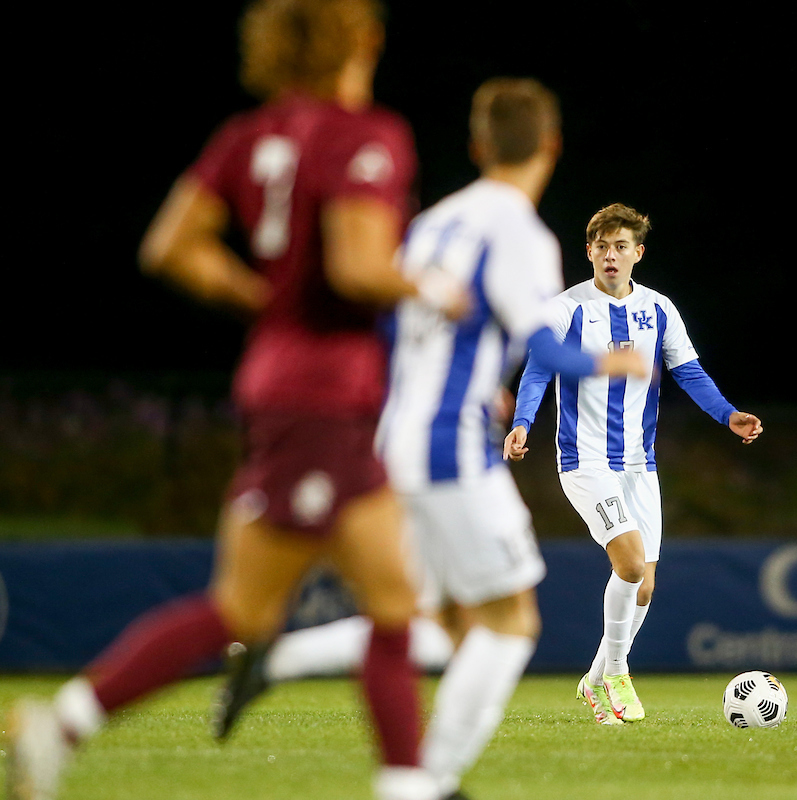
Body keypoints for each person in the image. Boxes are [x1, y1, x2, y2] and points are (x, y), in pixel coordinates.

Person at [5, 2, 464, 799]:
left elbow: (169, 245)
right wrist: (435, 287)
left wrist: (265, 300)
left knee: (395, 601)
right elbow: (357, 268)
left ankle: (409, 784)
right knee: (244, 612)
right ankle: (67, 722)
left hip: (296, 387)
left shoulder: (250, 137)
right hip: (322, 398)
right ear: (361, 38)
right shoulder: (366, 134)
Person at [214, 78, 647, 798]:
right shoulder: (520, 231)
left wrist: (478, 378)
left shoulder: (435, 221)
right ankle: (427, 780)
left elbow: (392, 320)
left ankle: (269, 661)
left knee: (436, 626)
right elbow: (548, 345)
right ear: (551, 146)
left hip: (394, 436)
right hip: (451, 447)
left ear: (479, 147)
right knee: (510, 624)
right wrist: (614, 359)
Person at [503, 203, 763, 724]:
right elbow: (536, 371)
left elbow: (688, 371)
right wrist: (524, 421)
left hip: (640, 464)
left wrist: (728, 414)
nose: (610, 255)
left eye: (621, 246)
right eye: (601, 246)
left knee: (643, 583)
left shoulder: (659, 309)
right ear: (589, 252)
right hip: (585, 461)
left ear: (638, 253)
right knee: (627, 562)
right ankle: (618, 675)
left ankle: (595, 680)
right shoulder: (568, 308)